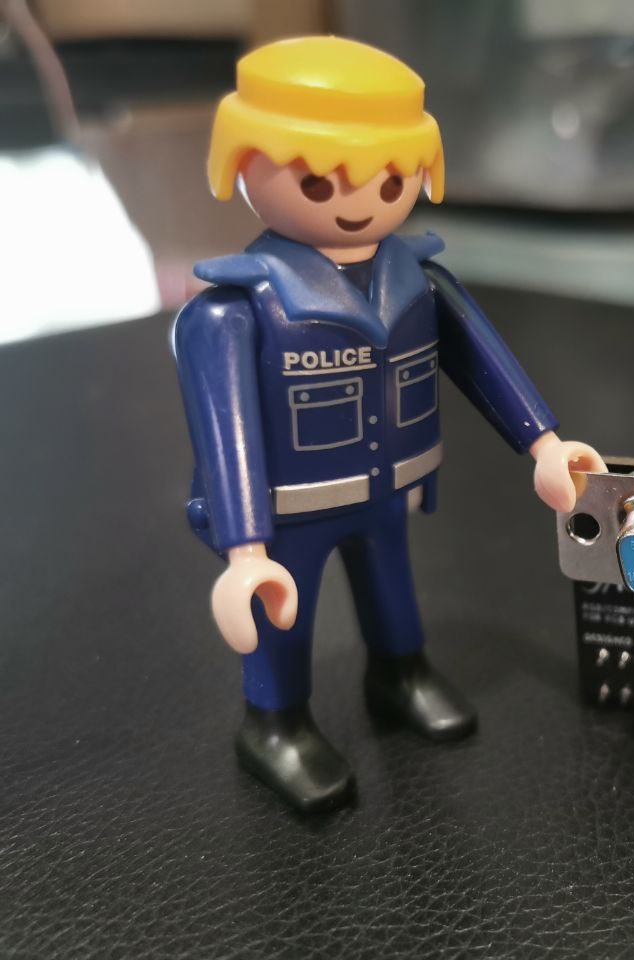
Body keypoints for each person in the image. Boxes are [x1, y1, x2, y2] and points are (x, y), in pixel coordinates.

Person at [172, 35, 603, 813]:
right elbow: (223, 432)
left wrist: (543, 442)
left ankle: (399, 673)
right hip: (288, 509)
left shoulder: (419, 279)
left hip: (387, 486)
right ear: (244, 164)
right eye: (317, 179)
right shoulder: (234, 311)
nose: (360, 200)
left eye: (393, 178)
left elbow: (481, 358)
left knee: (393, 587)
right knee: (283, 613)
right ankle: (275, 722)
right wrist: (243, 550)